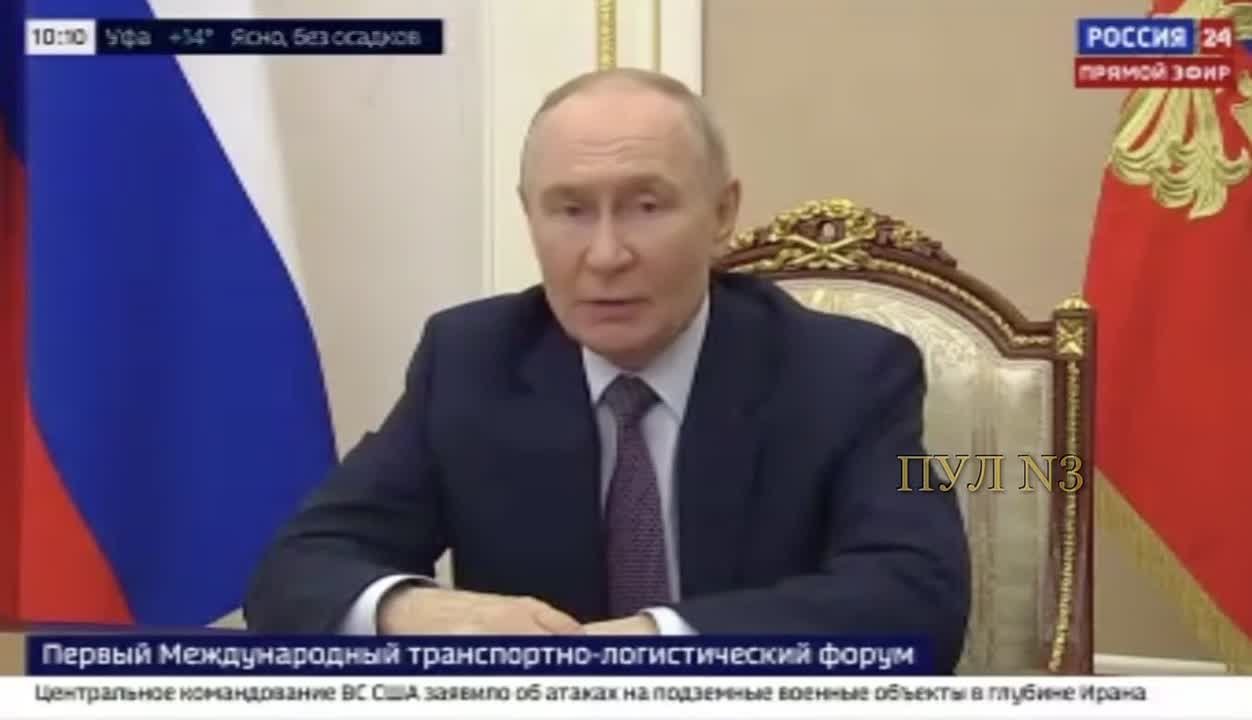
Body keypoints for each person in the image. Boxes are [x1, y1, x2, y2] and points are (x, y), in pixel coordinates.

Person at [244, 68, 970, 671]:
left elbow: (913, 598)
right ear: (529, 216)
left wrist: (655, 642)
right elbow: (297, 568)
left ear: (722, 213)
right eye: (569, 211)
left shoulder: (846, 373)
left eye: (646, 206)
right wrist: (417, 610)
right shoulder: (471, 360)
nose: (605, 255)